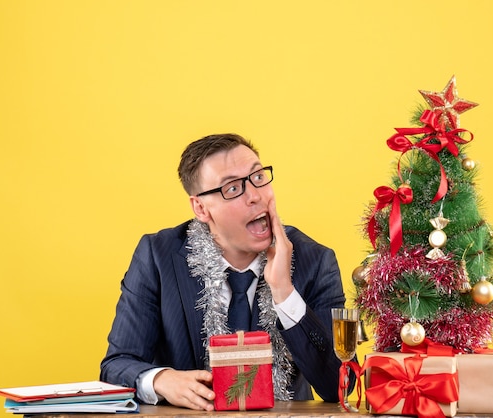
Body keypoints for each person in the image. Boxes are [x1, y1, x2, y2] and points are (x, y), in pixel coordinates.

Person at [100, 133, 347, 411]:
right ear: (201, 208)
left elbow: (340, 386)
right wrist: (161, 380)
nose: (255, 196)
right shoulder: (158, 257)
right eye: (232, 189)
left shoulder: (315, 261)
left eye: (257, 177)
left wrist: (284, 292)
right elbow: (116, 365)